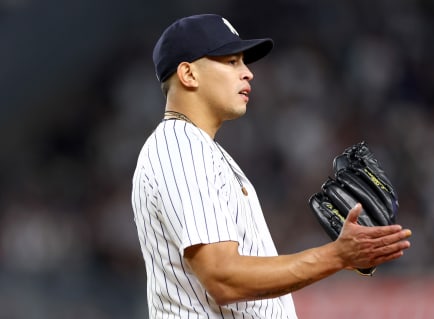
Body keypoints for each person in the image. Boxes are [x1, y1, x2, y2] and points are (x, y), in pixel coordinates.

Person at [131, 14, 411, 319]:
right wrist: (336, 256)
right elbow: (223, 277)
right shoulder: (181, 147)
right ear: (188, 74)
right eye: (231, 61)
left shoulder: (197, 148)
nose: (248, 73)